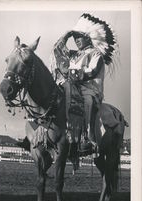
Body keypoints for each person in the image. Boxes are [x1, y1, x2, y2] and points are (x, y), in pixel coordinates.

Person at [50, 14, 118, 151]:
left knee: (87, 101)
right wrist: (66, 35)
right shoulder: (74, 54)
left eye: (79, 36)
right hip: (72, 85)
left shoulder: (96, 54)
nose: (76, 40)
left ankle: (87, 137)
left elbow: (91, 71)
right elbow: (56, 51)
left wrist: (71, 74)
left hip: (90, 89)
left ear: (88, 37)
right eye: (74, 37)